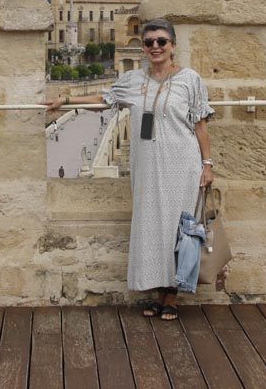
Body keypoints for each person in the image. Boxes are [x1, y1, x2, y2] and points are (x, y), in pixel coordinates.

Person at [44, 18, 214, 321]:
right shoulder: (134, 81)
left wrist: (207, 164)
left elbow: (200, 125)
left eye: (162, 41)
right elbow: (104, 99)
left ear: (173, 46)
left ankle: (171, 297)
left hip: (182, 164)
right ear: (143, 48)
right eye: (149, 42)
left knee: (178, 228)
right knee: (151, 228)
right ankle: (154, 290)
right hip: (147, 166)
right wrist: (67, 99)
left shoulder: (190, 79)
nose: (155, 47)